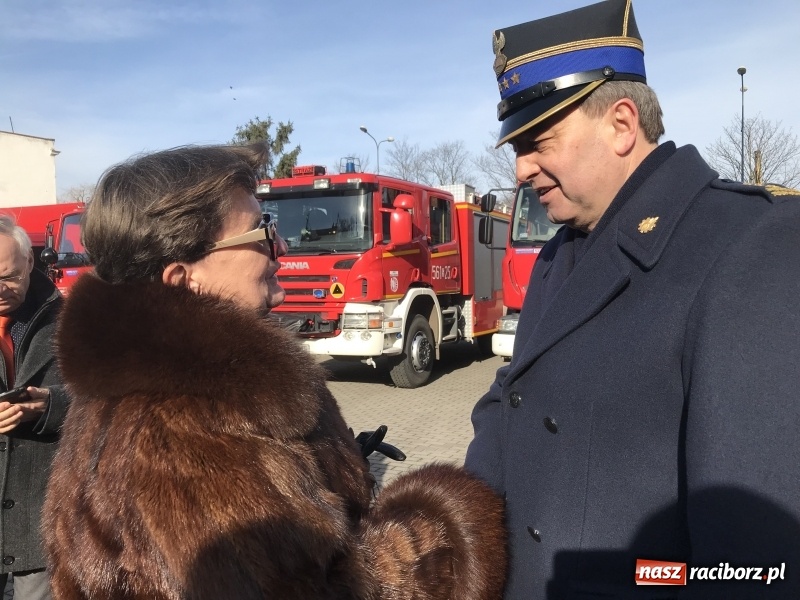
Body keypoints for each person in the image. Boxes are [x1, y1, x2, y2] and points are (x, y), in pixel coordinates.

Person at [42, 143, 507, 599]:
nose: (281, 246)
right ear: (184, 279)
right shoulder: (195, 430)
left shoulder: (115, 391)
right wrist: (447, 521)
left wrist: (322, 466)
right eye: (260, 231)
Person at [465, 0, 800, 598]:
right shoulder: (560, 252)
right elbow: (516, 396)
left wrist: (639, 581)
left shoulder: (747, 243)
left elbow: (754, 564)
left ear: (622, 125)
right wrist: (442, 524)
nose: (520, 169)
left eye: (539, 141)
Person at [0, 215, 67, 600]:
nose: (0, 289)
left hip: (41, 510)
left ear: (30, 261)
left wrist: (53, 405)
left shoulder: (71, 321)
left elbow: (105, 400)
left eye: (9, 276)